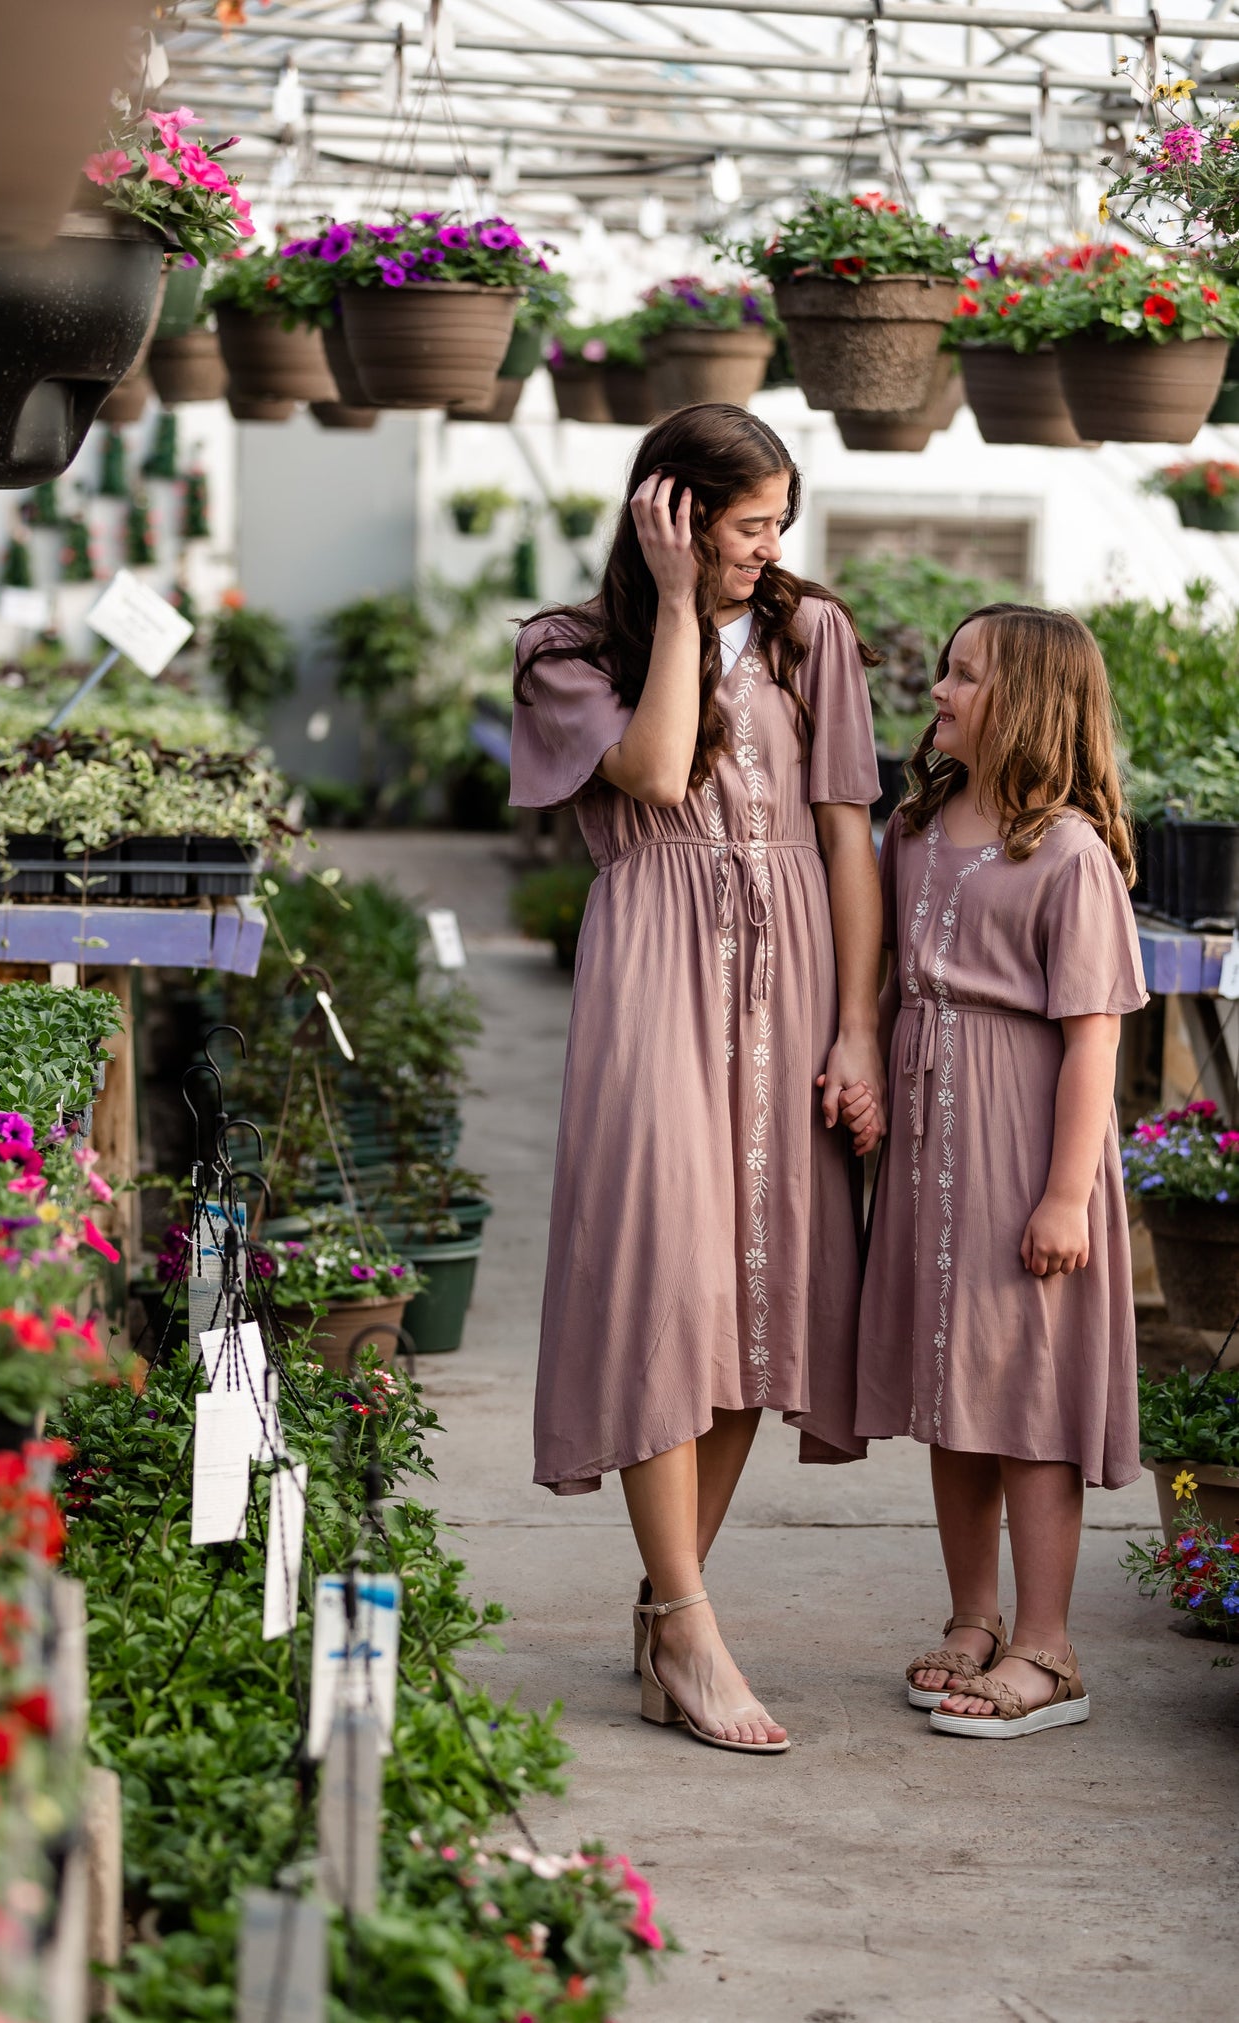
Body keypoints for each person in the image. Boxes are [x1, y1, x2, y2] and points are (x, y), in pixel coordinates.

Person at [508, 404, 884, 1755]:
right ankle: (687, 1617)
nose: (765, 550)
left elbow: (847, 835)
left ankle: (674, 1608)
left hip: (793, 984)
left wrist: (857, 1026)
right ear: (667, 515)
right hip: (655, 966)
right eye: (743, 526)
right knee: (670, 1273)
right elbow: (658, 772)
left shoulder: (811, 631)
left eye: (777, 522)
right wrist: (675, 602)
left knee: (755, 1293)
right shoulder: (564, 651)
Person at [842, 604, 1147, 1739]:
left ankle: (1048, 1645)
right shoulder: (913, 825)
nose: (939, 690)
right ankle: (973, 1618)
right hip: (932, 1144)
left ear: (1022, 701)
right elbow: (879, 979)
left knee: (1025, 1392)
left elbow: (1092, 1041)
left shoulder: (1064, 852)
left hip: (1024, 1147)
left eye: (963, 676)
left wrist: (1065, 1193)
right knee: (952, 1386)